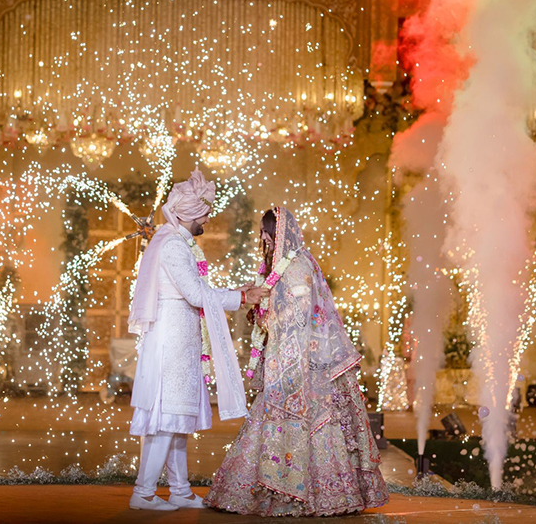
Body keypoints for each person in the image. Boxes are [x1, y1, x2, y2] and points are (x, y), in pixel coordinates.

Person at [206, 207, 389, 516]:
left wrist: (271, 314)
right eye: (262, 232)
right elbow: (275, 310)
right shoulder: (277, 267)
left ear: (281, 235)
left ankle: (318, 495)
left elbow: (301, 315)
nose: (263, 237)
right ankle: (270, 489)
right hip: (283, 361)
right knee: (270, 419)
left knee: (314, 422)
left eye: (268, 232)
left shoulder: (297, 267)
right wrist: (261, 313)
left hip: (304, 365)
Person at [126, 169, 267, 511]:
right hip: (172, 341)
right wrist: (240, 298)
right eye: (205, 212)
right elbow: (193, 293)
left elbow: (195, 291)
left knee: (176, 418)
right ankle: (143, 494)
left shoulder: (173, 240)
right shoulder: (173, 244)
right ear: (190, 214)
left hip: (180, 339)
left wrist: (236, 293)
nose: (208, 217)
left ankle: (180, 490)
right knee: (165, 419)